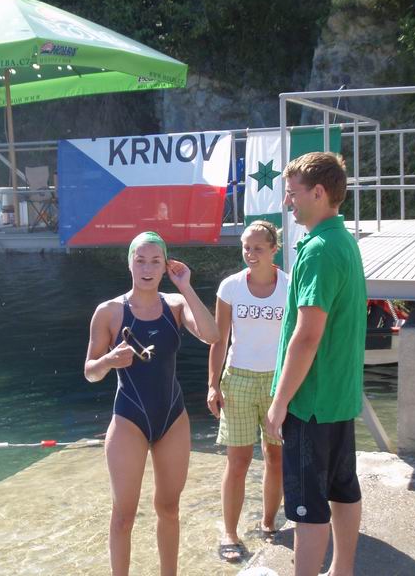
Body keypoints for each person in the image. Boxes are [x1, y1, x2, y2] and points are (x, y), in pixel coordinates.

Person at [84, 232, 219, 576]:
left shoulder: (176, 305)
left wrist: (186, 286)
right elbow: (90, 372)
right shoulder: (109, 312)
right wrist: (109, 360)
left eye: (155, 261)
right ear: (129, 263)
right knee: (124, 515)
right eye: (140, 260)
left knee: (169, 508)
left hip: (172, 418)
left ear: (165, 266)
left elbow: (212, 335)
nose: (147, 268)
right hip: (129, 420)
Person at [265, 152, 367, 576]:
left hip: (310, 402)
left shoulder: (319, 251)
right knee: (343, 489)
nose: (287, 202)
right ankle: (341, 571)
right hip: (339, 397)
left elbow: (307, 337)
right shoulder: (344, 242)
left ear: (319, 193)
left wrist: (279, 402)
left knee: (307, 507)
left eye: (293, 193)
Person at [207, 220, 288, 562]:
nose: (250, 254)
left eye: (258, 248)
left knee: (275, 457)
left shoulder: (290, 286)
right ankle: (229, 533)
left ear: (274, 249)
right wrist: (212, 385)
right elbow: (219, 339)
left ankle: (269, 523)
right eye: (245, 247)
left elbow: (297, 340)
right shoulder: (230, 287)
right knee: (237, 461)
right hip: (237, 379)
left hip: (277, 382)